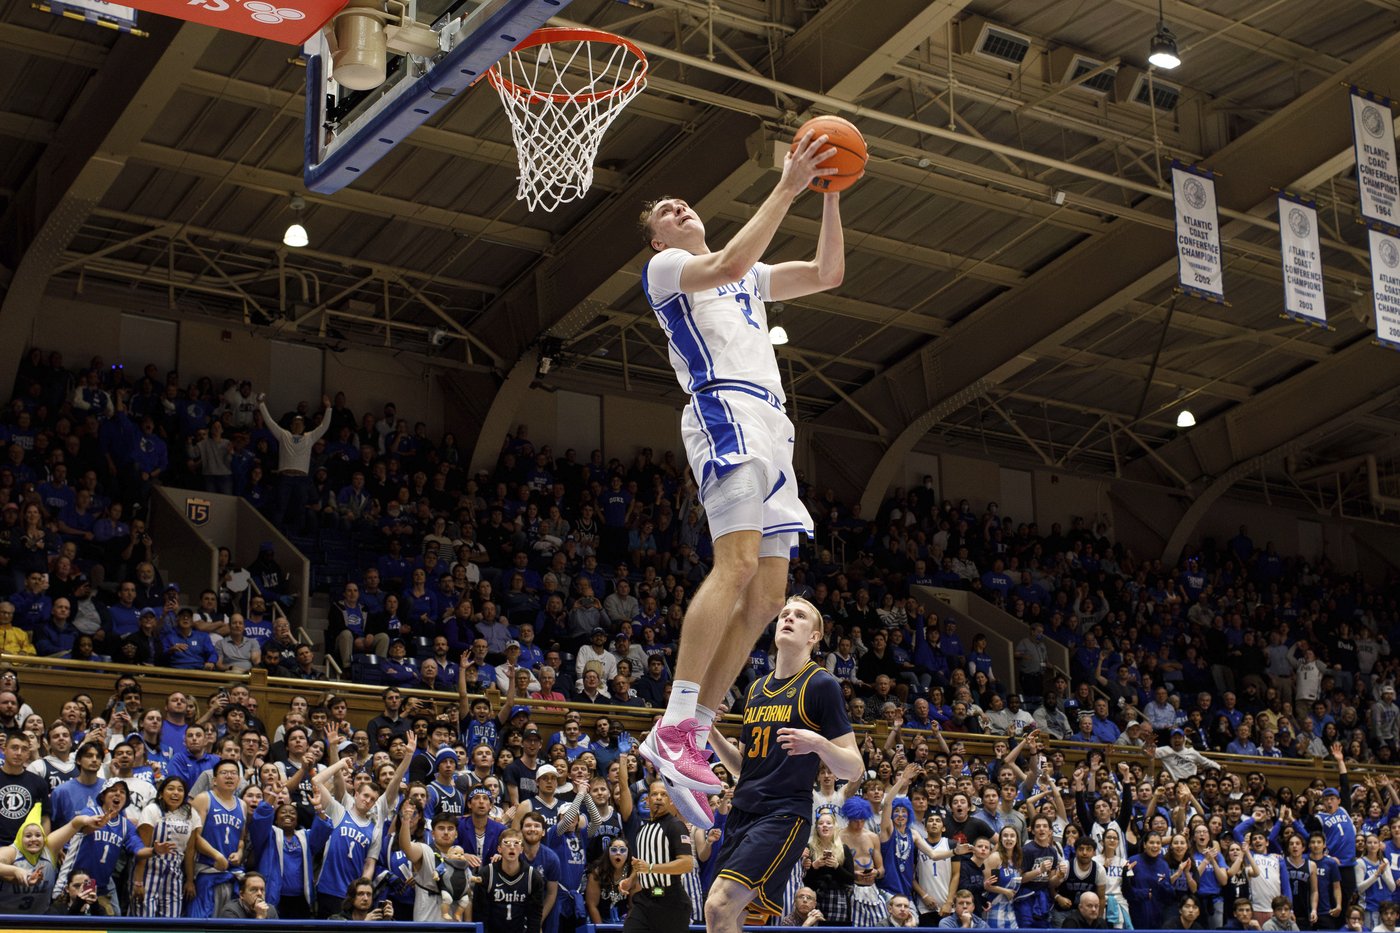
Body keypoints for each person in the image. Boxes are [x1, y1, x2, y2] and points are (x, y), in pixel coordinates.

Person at [635, 129, 846, 829]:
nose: (678, 206)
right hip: (724, 408)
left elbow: (826, 274)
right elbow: (729, 257)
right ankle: (673, 720)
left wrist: (830, 192)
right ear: (658, 237)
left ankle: (695, 728)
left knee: (767, 597)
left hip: (776, 427)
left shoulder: (750, 277)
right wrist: (788, 183)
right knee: (736, 565)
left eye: (681, 202)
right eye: (665, 208)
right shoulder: (668, 270)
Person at [703, 596, 863, 930]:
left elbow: (854, 769)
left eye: (800, 616)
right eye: (784, 614)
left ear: (814, 636)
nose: (788, 618)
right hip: (742, 812)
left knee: (717, 905)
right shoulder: (755, 689)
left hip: (784, 812)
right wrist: (712, 734)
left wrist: (817, 743)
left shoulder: (821, 685)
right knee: (729, 915)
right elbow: (742, 767)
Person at [620, 781, 695, 933]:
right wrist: (631, 880)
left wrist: (651, 868)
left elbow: (687, 864)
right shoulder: (642, 830)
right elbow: (643, 864)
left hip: (671, 901)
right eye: (654, 794)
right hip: (645, 899)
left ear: (670, 800)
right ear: (647, 800)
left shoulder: (675, 826)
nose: (659, 798)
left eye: (664, 794)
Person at [186, 759, 247, 918]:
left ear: (239, 780)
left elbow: (241, 839)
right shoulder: (203, 799)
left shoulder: (242, 805)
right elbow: (194, 837)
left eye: (233, 773)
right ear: (214, 780)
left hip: (230, 874)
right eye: (224, 773)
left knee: (228, 922)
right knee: (202, 923)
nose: (229, 776)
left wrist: (240, 853)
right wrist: (216, 855)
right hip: (205, 871)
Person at [131, 776, 195, 917]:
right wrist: (138, 882)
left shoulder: (190, 814)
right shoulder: (152, 810)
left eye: (180, 790)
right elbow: (141, 850)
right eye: (170, 788)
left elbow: (190, 850)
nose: (175, 793)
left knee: (171, 922)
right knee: (144, 922)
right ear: (161, 793)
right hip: (148, 872)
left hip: (174, 874)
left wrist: (190, 880)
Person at [473, 827, 545, 933]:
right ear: (499, 849)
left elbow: (535, 916)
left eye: (516, 843)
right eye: (506, 843)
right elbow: (480, 914)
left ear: (521, 849)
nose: (512, 847)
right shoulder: (486, 874)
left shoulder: (533, 876)